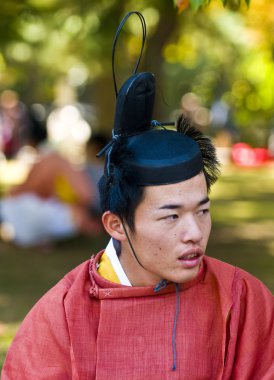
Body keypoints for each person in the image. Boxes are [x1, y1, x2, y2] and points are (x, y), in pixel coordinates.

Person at [2, 12, 274, 380]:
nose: (194, 232)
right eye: (171, 215)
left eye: (202, 210)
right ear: (116, 224)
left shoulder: (242, 299)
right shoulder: (62, 318)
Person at [0, 113, 105, 247]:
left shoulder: (57, 164)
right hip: (81, 206)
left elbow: (85, 196)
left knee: (51, 163)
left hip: (84, 205)